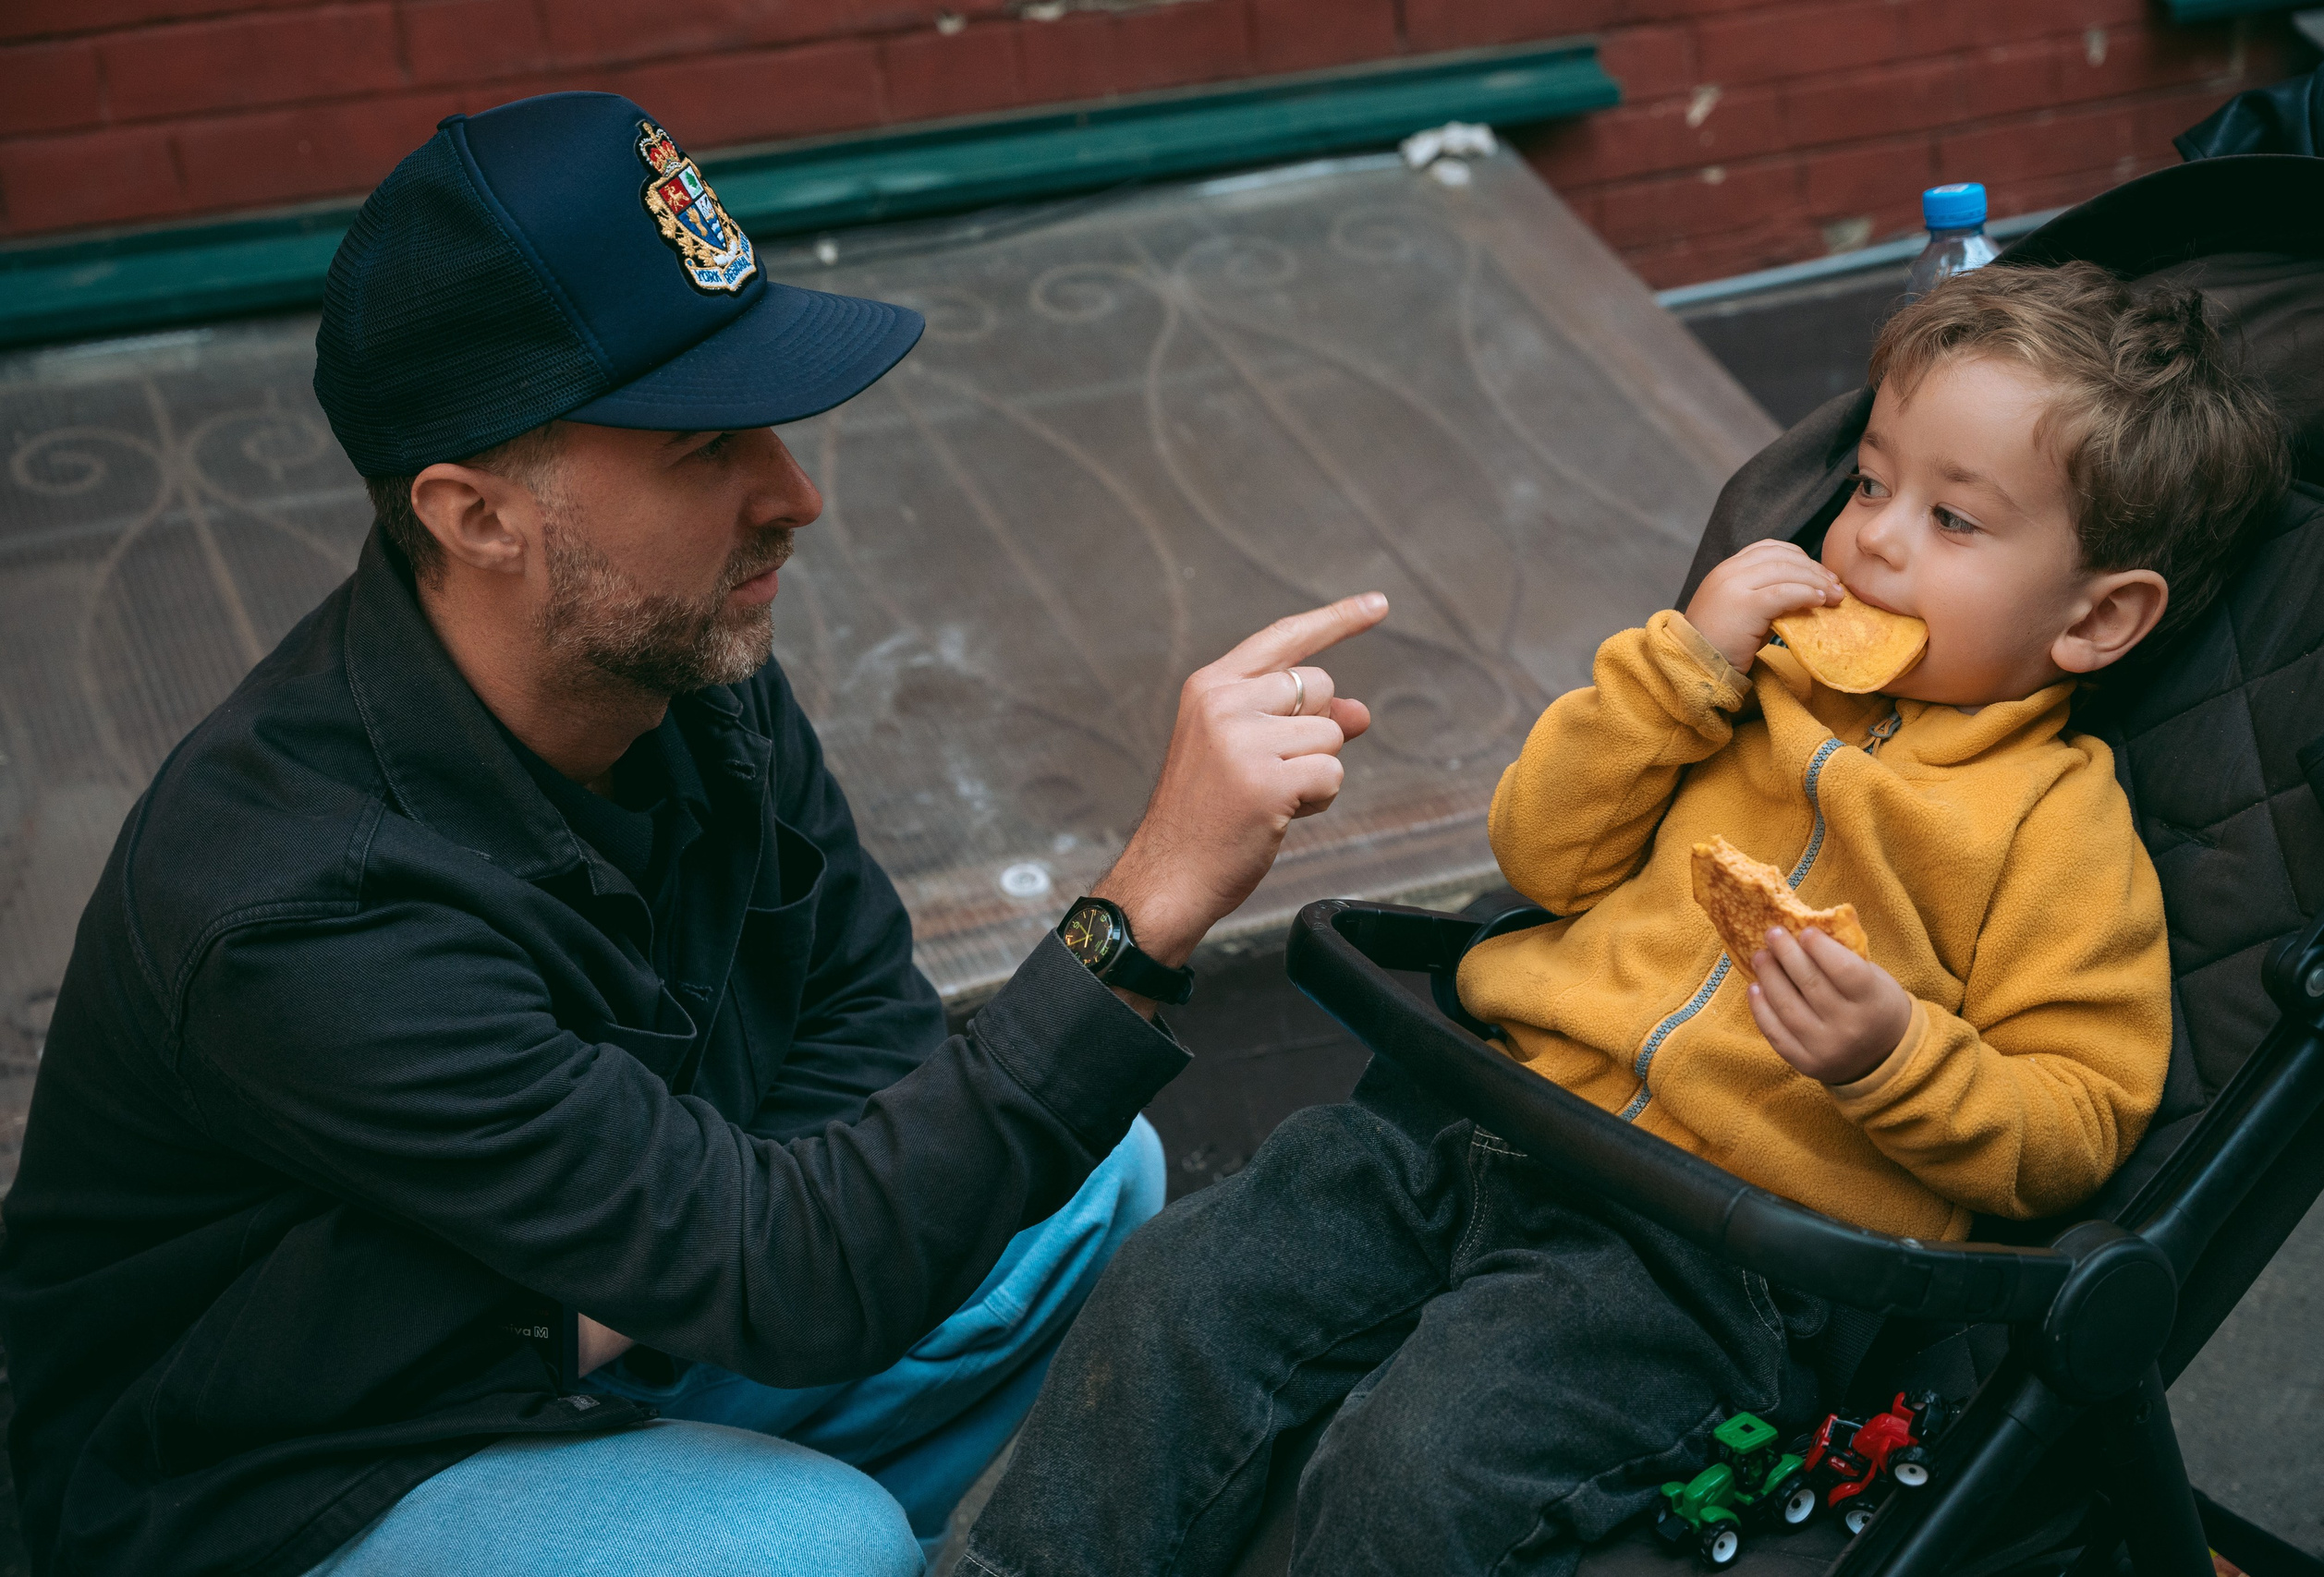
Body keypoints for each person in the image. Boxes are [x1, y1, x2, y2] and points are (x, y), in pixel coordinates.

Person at [0, 92, 1390, 1577]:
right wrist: (1144, 903)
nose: (793, 494)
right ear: (476, 517)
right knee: (812, 1543)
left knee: (1085, 1167)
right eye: (702, 442)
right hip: (275, 1470)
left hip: (591, 1326)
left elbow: (871, 1036)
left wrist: (718, 1256)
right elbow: (788, 1264)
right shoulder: (302, 901)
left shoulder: (676, 675)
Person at [957, 261, 2291, 1575]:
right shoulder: (1736, 687)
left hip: (1703, 1259)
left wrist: (1899, 1059)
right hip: (1476, 1121)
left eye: (1956, 520)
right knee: (1178, 1293)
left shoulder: (2059, 832)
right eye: (1875, 482)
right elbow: (1540, 850)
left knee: (1423, 1457)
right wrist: (1681, 668)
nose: (1874, 535)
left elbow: (2075, 1123)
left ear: (2099, 618)